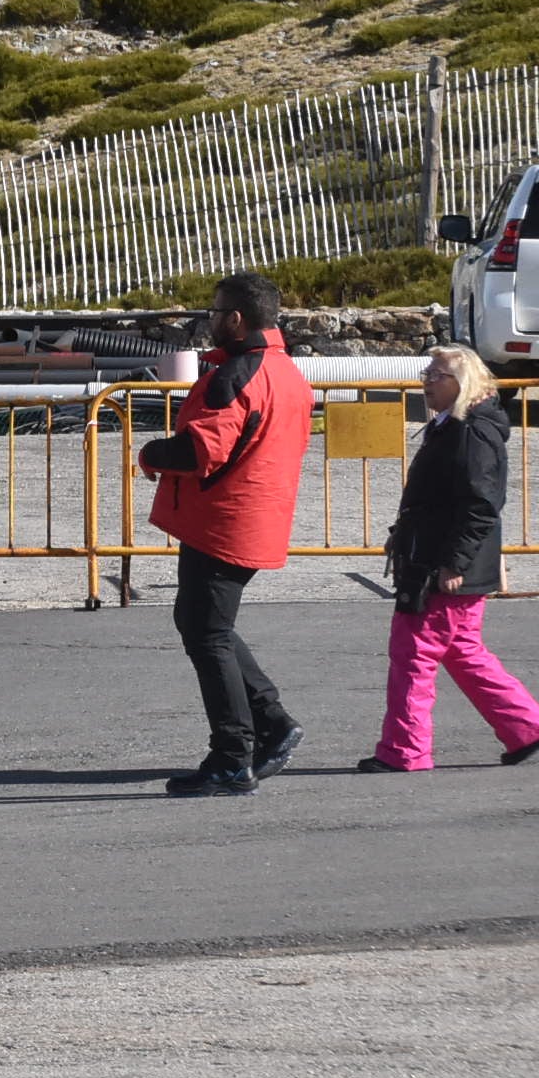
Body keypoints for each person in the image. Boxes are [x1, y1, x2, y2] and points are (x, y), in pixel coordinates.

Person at [136, 272, 312, 797]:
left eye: (214, 312)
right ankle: (269, 722)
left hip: (225, 521)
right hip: (253, 517)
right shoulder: (285, 372)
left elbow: (200, 451)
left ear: (235, 318)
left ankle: (234, 754)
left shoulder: (237, 375)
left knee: (206, 632)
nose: (208, 320)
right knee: (203, 623)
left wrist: (150, 454)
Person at [361, 345, 539, 773]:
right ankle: (528, 728)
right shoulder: (455, 426)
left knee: (413, 654)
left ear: (461, 383)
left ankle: (405, 751)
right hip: (441, 559)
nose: (426, 379)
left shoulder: (469, 432)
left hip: (442, 565)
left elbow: (481, 505)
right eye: (427, 371)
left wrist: (455, 563)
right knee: (463, 650)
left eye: (436, 374)